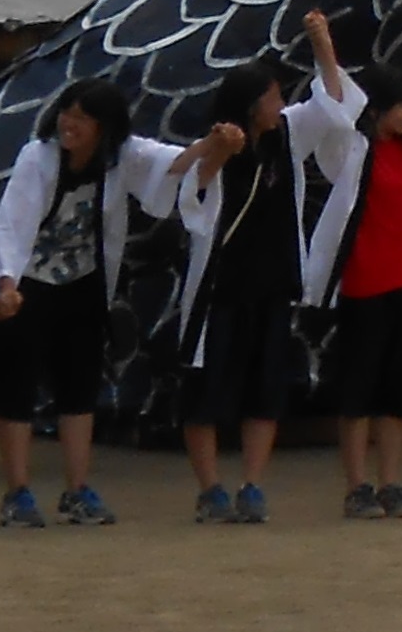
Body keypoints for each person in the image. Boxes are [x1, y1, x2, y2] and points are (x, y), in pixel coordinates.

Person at [291, 4, 402, 517]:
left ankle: (391, 483)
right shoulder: (351, 151)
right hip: (367, 285)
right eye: (398, 106)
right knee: (358, 390)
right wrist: (322, 42)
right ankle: (357, 486)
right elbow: (340, 100)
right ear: (377, 109)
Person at [0, 76, 168, 527]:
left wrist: (215, 148)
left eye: (83, 117)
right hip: (29, 282)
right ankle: (17, 491)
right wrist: (5, 284)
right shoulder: (37, 157)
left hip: (83, 281)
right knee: (16, 389)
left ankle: (77, 488)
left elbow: (171, 163)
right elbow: (11, 223)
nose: (70, 123)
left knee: (79, 389)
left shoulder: (121, 158)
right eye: (67, 112)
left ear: (105, 127)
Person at [147, 57, 313, 522]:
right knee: (205, 387)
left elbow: (338, 108)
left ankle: (253, 484)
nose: (281, 106)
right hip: (220, 286)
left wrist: (321, 42)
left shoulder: (288, 140)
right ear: (250, 104)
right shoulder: (219, 143)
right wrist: (220, 149)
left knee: (266, 388)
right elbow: (190, 197)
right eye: (273, 98)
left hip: (272, 283)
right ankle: (210, 487)